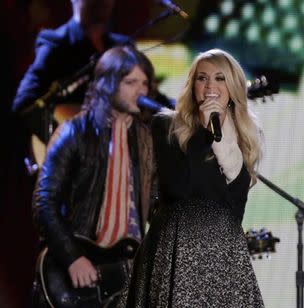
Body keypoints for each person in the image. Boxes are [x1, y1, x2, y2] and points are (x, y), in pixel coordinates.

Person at [120, 48, 265, 307]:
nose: (211, 86)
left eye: (220, 78)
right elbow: (179, 190)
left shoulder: (243, 136)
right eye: (202, 78)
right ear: (192, 85)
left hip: (222, 257)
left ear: (232, 87)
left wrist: (223, 141)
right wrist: (204, 131)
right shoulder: (167, 126)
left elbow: (234, 211)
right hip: (176, 251)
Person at [32, 45, 157, 307]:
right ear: (108, 84)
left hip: (126, 274)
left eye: (145, 83)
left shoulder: (147, 140)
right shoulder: (74, 132)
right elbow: (44, 202)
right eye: (131, 82)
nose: (141, 90)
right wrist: (72, 257)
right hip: (79, 267)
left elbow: (159, 205)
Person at [12, 0, 132, 145]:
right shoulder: (56, 43)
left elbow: (150, 97)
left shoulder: (123, 47)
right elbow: (24, 103)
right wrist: (64, 144)